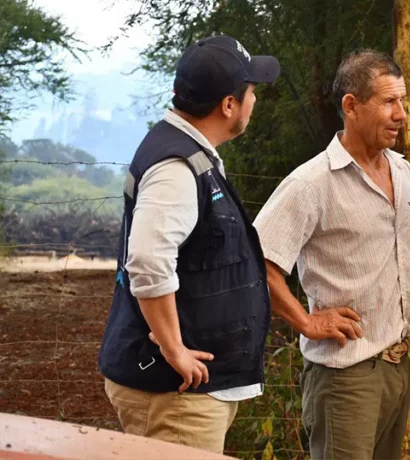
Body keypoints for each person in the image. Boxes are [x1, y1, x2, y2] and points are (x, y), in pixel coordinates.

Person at [98, 34, 279, 454]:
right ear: (229, 105)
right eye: (250, 91)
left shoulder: (186, 153)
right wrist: (174, 348)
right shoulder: (177, 166)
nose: (254, 101)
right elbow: (146, 259)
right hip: (174, 394)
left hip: (186, 392)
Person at [254, 50, 410, 459]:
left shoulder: (403, 172)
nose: (401, 114)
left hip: (398, 365)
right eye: (389, 102)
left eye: (402, 101)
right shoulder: (311, 182)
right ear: (351, 106)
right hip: (345, 376)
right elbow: (257, 263)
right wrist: (305, 321)